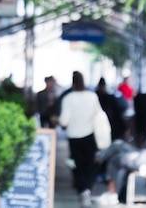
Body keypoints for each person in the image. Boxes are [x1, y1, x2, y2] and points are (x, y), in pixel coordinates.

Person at [58, 71, 103, 208]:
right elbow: (99, 115)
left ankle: (82, 189)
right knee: (90, 164)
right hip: (90, 135)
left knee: (78, 164)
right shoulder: (92, 96)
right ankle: (87, 190)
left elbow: (64, 121)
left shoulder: (68, 98)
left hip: (74, 136)